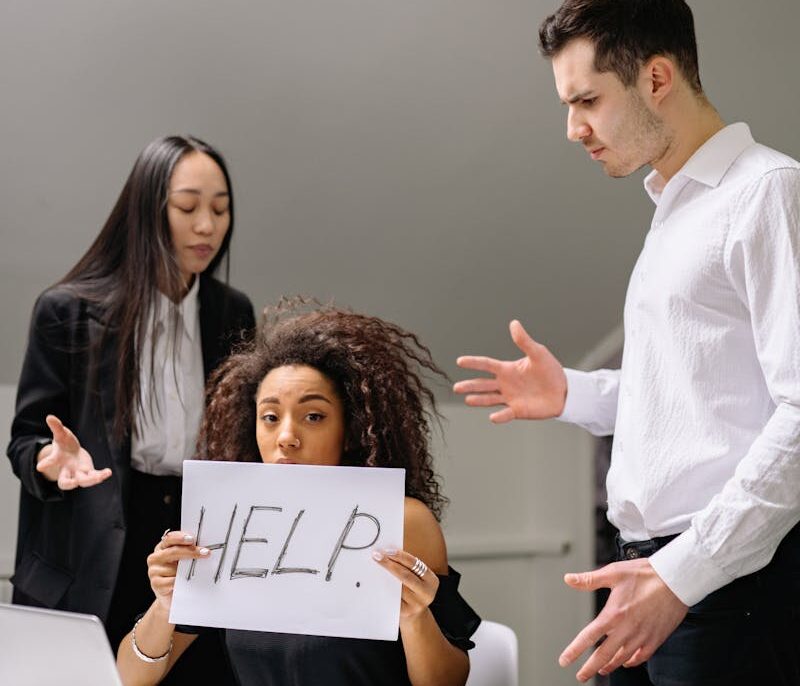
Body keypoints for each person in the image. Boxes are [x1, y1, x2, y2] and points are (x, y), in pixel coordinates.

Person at [454, 1, 800, 684]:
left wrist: (683, 574)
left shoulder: (766, 192)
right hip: (648, 568)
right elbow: (699, 401)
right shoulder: (674, 207)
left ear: (658, 77)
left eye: (587, 99)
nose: (573, 128)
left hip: (722, 583)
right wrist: (573, 394)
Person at [117, 301, 480, 686]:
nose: (286, 437)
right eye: (270, 418)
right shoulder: (229, 520)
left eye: (313, 416)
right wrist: (165, 604)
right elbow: (131, 677)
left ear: (353, 428)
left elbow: (449, 682)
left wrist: (415, 618)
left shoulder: (401, 520)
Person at [7, 135, 255, 684]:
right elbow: (24, 438)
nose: (208, 227)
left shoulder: (230, 312)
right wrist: (50, 461)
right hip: (92, 546)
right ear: (147, 210)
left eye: (220, 209)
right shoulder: (67, 310)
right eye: (188, 208)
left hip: (188, 542)